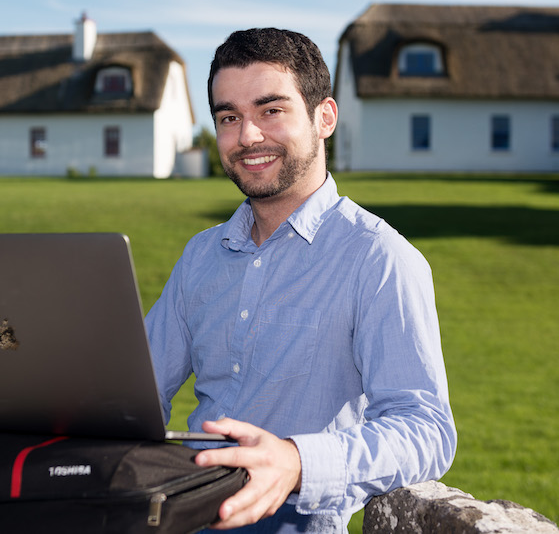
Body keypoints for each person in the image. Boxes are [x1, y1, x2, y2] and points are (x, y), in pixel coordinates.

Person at [144, 28, 456, 532]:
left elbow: (426, 431)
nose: (247, 136)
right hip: (181, 506)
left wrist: (297, 461)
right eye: (229, 117)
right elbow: (140, 388)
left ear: (324, 117)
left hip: (295, 518)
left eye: (271, 110)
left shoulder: (379, 258)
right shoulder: (202, 254)